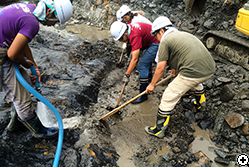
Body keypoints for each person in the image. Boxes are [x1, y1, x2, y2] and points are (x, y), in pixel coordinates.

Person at [0, 0, 73, 138]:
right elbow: (12, 54)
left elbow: (21, 42)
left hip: (3, 44)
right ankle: (38, 131)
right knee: (22, 98)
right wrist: (26, 64)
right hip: (3, 51)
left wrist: (34, 65)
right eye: (56, 21)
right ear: (50, 13)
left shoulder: (28, 8)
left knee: (25, 81)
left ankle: (16, 123)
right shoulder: (32, 24)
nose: (54, 24)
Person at [144, 16, 216, 138]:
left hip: (194, 71)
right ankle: (200, 104)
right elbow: (182, 54)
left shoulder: (166, 40)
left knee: (168, 96)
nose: (156, 39)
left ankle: (158, 130)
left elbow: (160, 67)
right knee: (195, 82)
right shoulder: (181, 35)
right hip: (209, 69)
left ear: (161, 30)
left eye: (155, 35)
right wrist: (175, 70)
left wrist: (152, 84)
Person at [110, 21, 159, 104]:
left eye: (121, 39)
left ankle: (143, 95)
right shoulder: (130, 29)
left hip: (156, 42)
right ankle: (148, 79)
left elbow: (135, 59)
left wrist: (127, 74)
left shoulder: (135, 35)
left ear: (125, 33)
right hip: (150, 40)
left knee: (142, 65)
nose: (122, 41)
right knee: (146, 60)